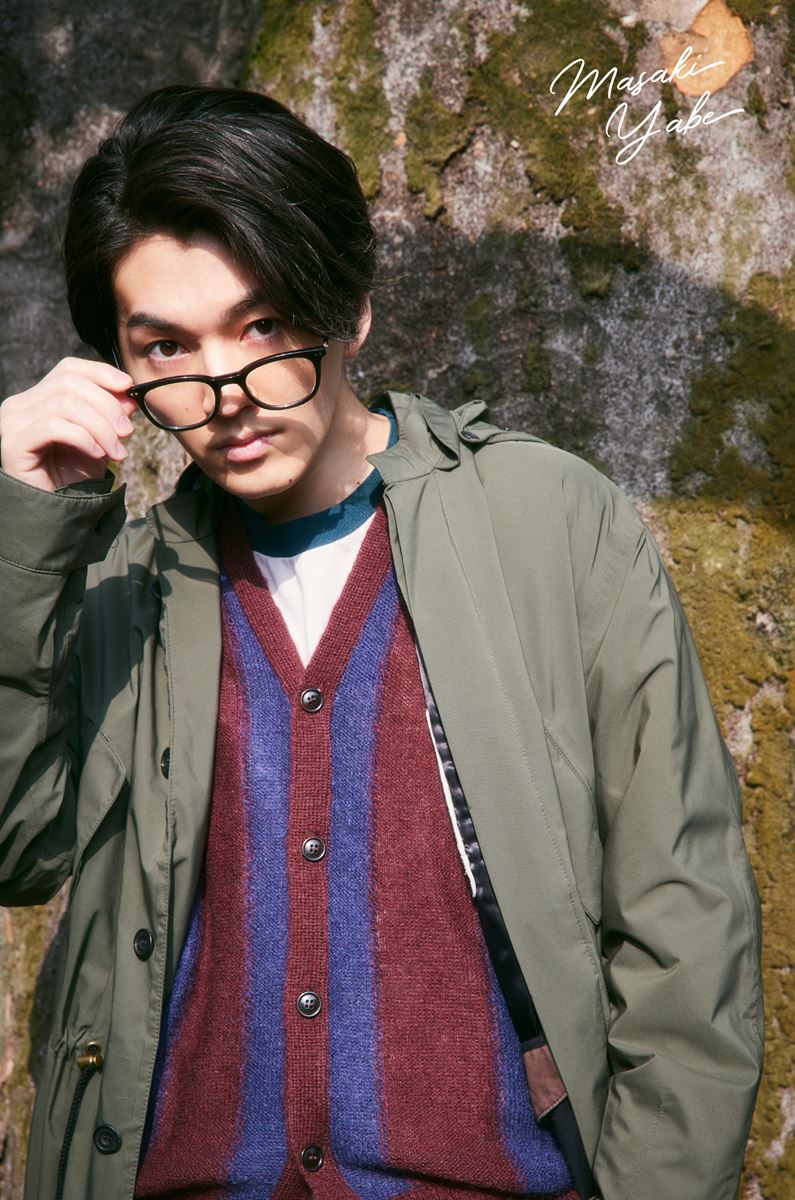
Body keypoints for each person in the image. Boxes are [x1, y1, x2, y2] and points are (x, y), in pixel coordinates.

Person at [0, 84, 762, 1200]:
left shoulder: (548, 522)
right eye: (167, 346)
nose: (225, 391)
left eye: (263, 325)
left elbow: (686, 926)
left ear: (349, 307)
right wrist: (23, 530)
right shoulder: (124, 580)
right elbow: (16, 846)